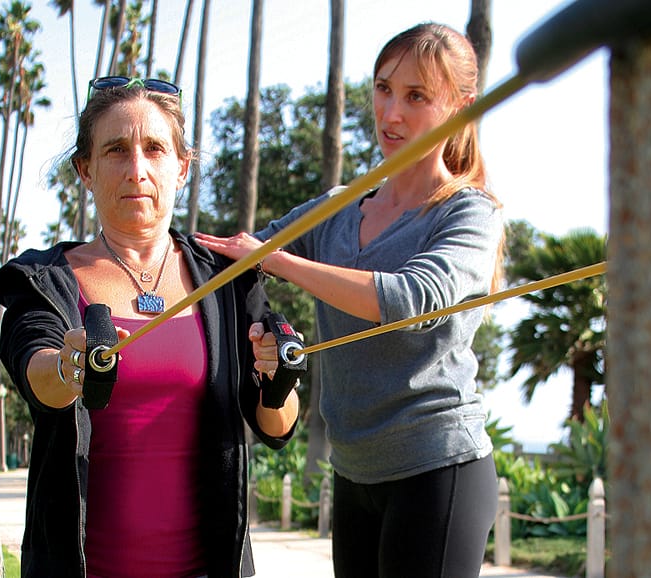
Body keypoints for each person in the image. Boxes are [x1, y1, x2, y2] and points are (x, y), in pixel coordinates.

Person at [196, 22, 504, 578]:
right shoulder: (339, 208)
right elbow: (235, 256)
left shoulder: (468, 213)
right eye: (384, 89)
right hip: (354, 472)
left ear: (461, 106)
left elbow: (415, 298)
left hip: (437, 467)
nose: (391, 114)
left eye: (416, 96)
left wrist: (280, 261)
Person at [0, 76, 299, 578]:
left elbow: (277, 425)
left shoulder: (227, 279)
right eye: (116, 150)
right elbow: (38, 372)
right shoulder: (44, 281)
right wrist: (71, 365)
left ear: (180, 167)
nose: (137, 169)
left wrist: (279, 381)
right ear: (86, 170)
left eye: (154, 149)